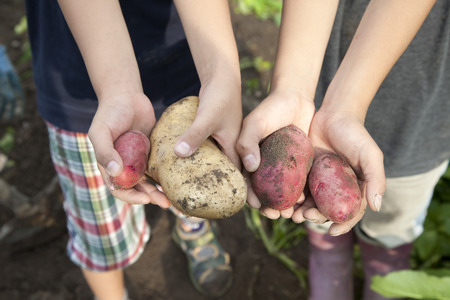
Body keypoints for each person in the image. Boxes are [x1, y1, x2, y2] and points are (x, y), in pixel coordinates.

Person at [25, 0, 242, 299]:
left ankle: (193, 227)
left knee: (194, 175)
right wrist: (117, 88)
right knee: (101, 228)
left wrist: (221, 75)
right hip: (83, 79)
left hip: (186, 56)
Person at [237, 0, 450, 299]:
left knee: (397, 216)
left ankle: (387, 269)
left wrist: (347, 106)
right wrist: (293, 90)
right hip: (321, 67)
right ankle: (329, 260)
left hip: (423, 106)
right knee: (321, 219)